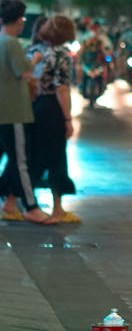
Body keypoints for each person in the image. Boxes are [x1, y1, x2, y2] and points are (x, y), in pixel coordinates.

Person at [0, 0, 50, 223]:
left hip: (5, 109)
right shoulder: (12, 43)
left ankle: (10, 203)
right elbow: (24, 72)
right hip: (15, 111)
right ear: (19, 21)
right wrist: (37, 58)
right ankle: (31, 206)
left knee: (12, 158)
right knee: (21, 161)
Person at [29, 14, 80, 224]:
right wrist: (68, 119)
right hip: (52, 109)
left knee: (36, 154)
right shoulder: (62, 56)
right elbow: (61, 89)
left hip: (35, 106)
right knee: (57, 156)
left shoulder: (36, 51)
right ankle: (57, 209)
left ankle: (20, 201)